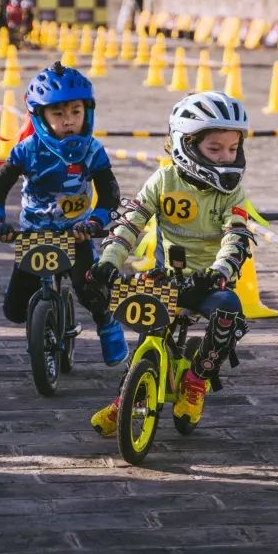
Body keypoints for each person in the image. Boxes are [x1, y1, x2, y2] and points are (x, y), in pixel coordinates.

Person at [86, 91, 255, 437]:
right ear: (186, 144)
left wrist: (220, 272)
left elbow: (236, 237)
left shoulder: (231, 194)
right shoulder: (163, 181)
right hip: (166, 279)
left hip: (208, 284)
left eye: (232, 148)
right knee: (146, 332)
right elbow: (131, 223)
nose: (226, 157)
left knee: (230, 312)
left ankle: (195, 382)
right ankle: (124, 400)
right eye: (215, 148)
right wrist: (108, 261)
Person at [0, 62, 127, 366]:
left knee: (92, 291)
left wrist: (96, 221)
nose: (68, 121)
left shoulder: (93, 150)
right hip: (33, 234)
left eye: (75, 112)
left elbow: (110, 192)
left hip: (77, 234)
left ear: (87, 112)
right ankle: (41, 322)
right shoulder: (26, 150)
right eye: (58, 114)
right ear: (40, 116)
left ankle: (108, 325)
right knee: (14, 309)